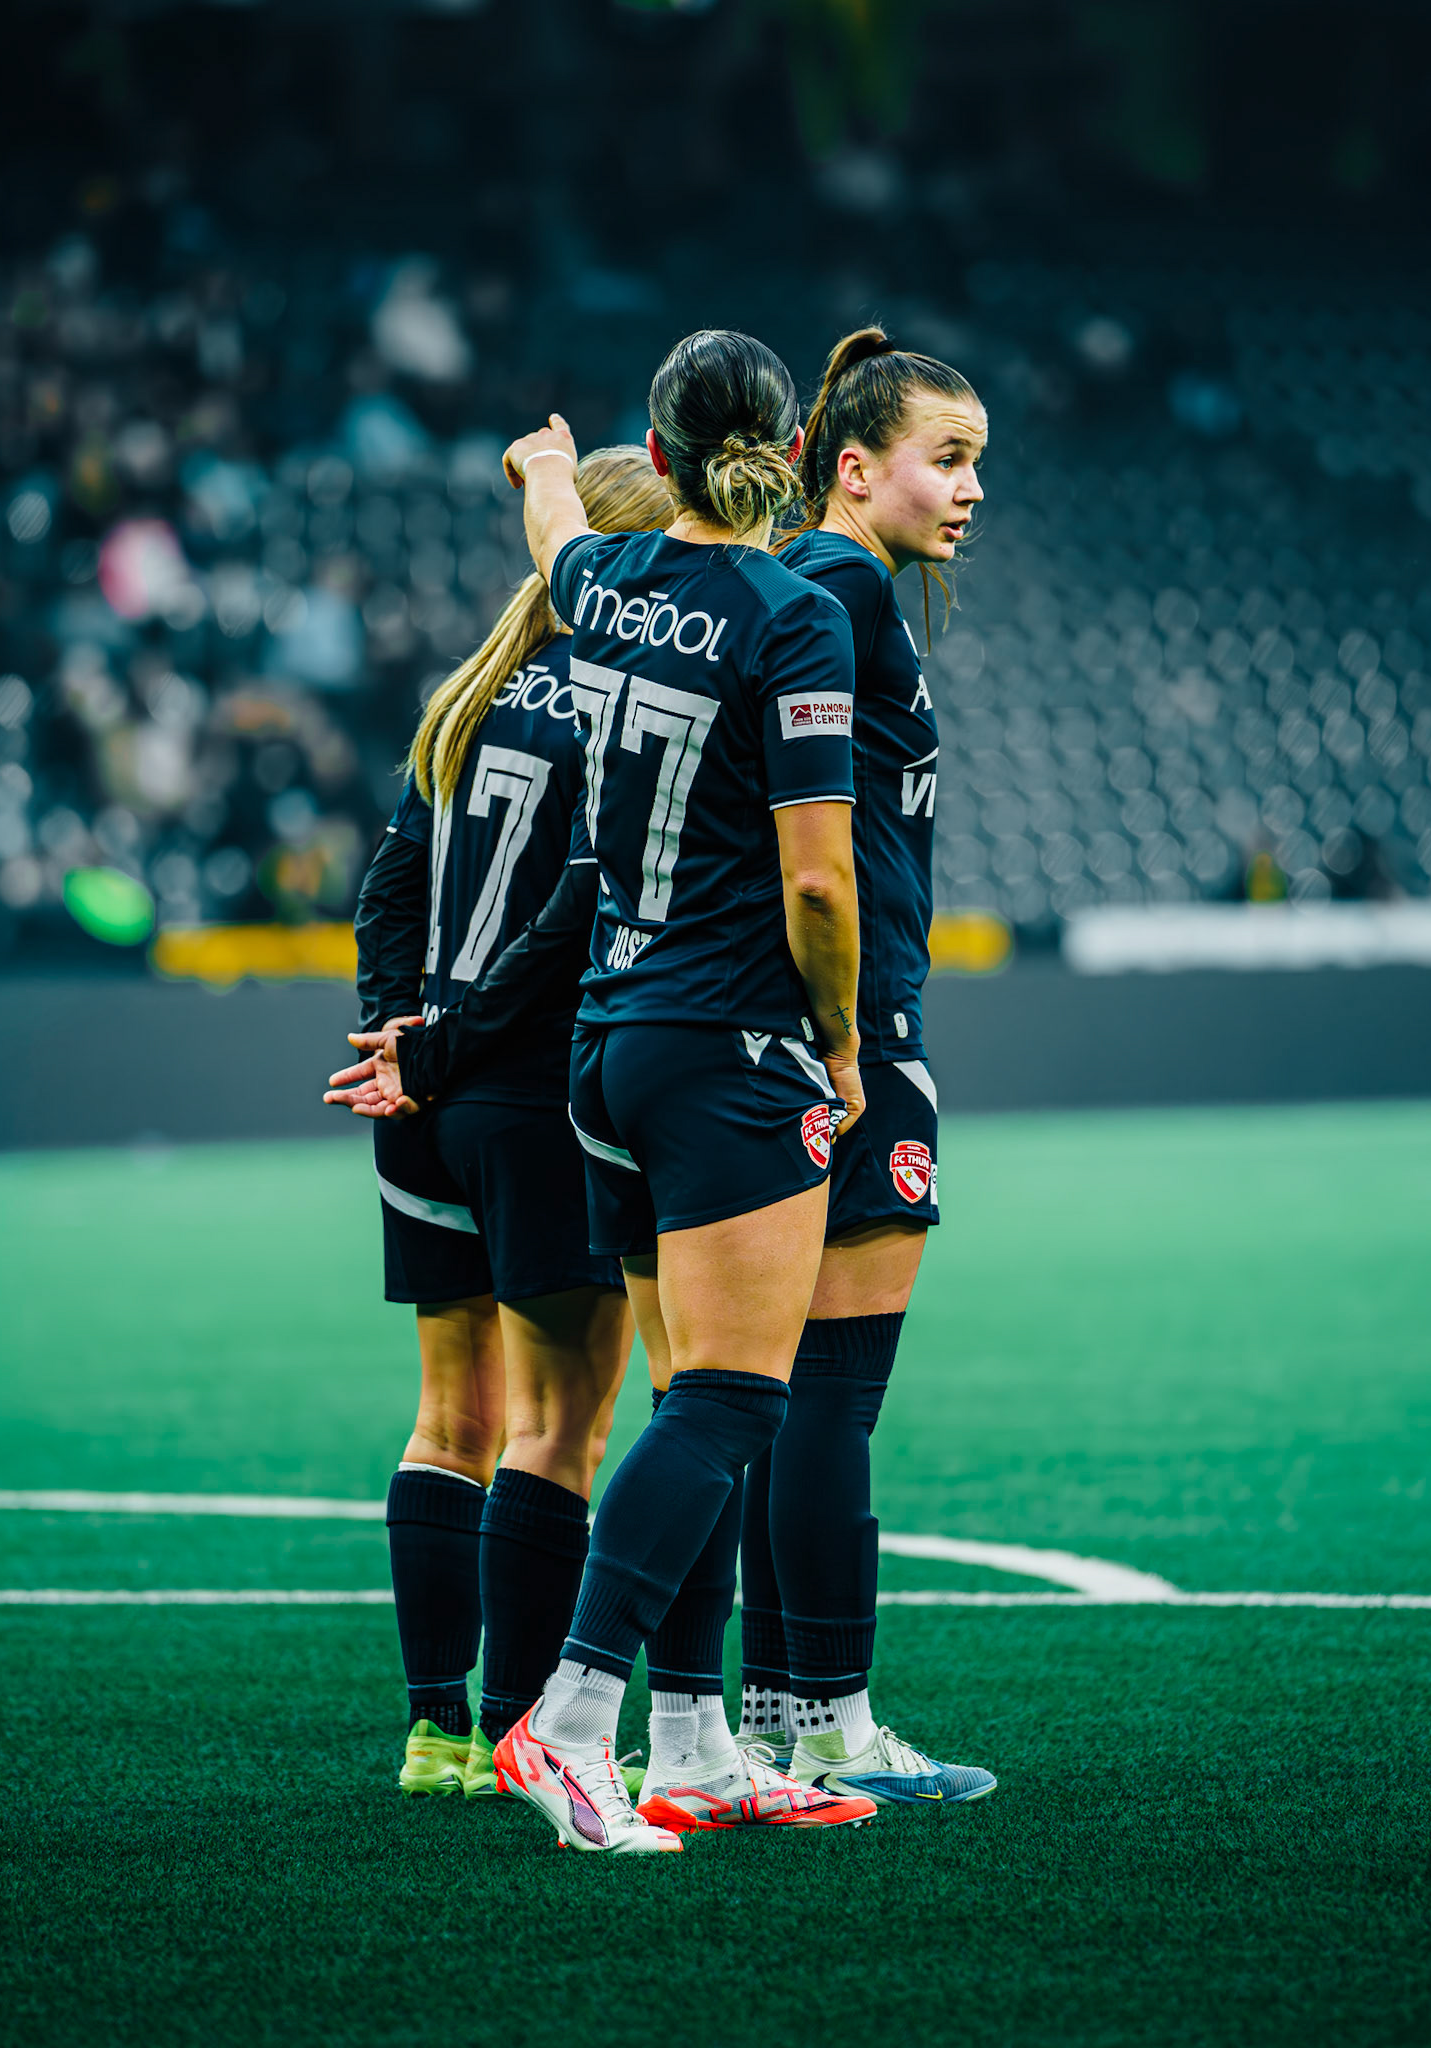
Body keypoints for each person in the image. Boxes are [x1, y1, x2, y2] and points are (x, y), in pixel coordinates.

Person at [350, 329, 879, 1851]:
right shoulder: (791, 614)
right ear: (787, 454)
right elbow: (822, 884)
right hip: (724, 1044)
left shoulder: (598, 594)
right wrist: (839, 1045)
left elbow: (556, 534)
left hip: (598, 1051)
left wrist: (535, 463)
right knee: (719, 1399)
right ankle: (575, 1720)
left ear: (658, 457)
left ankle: (693, 1743)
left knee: (619, 1394)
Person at [324, 446, 673, 1801]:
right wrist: (453, 1044)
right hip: (528, 1101)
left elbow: (390, 882)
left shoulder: (468, 694)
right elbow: (577, 913)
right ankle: (532, 1736)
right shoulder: (613, 707)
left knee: (446, 1415)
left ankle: (437, 1734)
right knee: (558, 1430)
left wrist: (395, 1040)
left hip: (419, 1099)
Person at [737, 327, 998, 1802]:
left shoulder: (814, 586)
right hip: (852, 1038)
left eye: (976, 466)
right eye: (945, 460)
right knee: (835, 1392)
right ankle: (836, 1720)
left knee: (786, 1395)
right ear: (855, 465)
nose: (968, 492)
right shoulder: (838, 594)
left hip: (780, 1032)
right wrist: (852, 1039)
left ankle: (778, 1714)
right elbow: (818, 864)